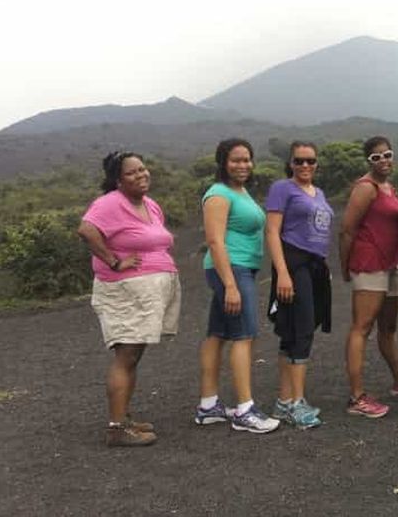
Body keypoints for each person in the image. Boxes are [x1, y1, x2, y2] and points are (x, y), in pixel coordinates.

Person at [78, 151, 181, 447]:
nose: (141, 175)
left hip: (148, 291)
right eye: (132, 172)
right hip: (126, 291)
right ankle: (116, 428)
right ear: (117, 180)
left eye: (143, 169)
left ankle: (123, 418)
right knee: (126, 355)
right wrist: (113, 261)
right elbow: (86, 230)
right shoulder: (109, 203)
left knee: (133, 355)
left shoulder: (149, 204)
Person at [195, 138, 280, 434]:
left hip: (237, 269)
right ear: (222, 162)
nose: (242, 165)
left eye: (247, 159)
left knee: (217, 334)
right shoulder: (217, 193)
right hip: (231, 270)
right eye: (235, 160)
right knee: (245, 335)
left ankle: (208, 406)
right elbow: (215, 241)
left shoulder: (238, 191)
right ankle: (244, 409)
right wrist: (230, 284)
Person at [340, 136, 398, 419]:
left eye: (387, 155)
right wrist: (345, 266)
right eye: (376, 157)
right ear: (368, 161)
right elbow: (347, 230)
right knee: (363, 326)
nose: (383, 160)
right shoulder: (365, 188)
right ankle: (357, 397)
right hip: (369, 262)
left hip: (390, 262)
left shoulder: (388, 187)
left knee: (389, 326)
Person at [266, 141, 334, 430]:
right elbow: (272, 231)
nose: (305, 166)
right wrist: (282, 272)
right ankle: (297, 402)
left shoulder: (319, 193)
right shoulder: (283, 188)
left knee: (293, 331)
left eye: (310, 161)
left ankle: (284, 400)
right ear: (290, 163)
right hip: (293, 264)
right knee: (301, 331)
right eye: (299, 161)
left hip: (315, 266)